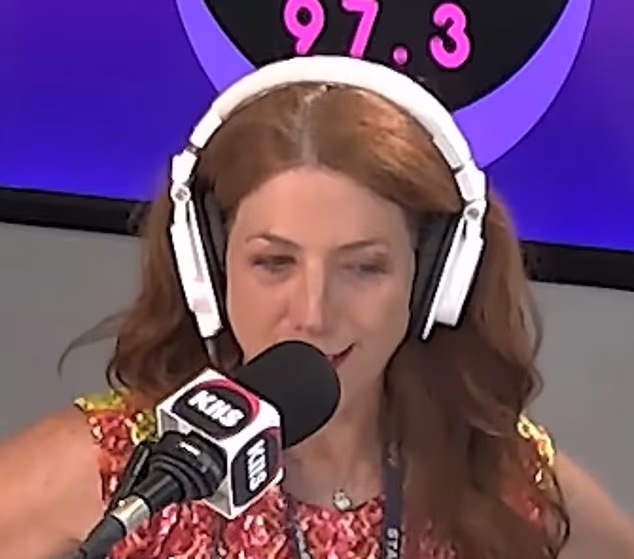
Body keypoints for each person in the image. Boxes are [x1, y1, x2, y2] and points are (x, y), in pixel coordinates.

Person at [0, 55, 632, 559]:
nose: (313, 313)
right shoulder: (114, 476)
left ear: (434, 280)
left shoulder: (500, 472)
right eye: (275, 263)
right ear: (209, 269)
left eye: (364, 267)